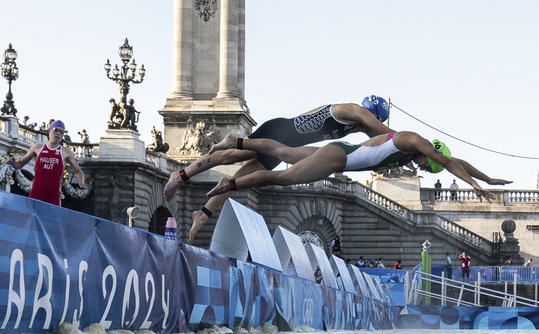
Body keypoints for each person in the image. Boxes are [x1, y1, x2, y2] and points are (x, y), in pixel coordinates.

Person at [166, 97, 395, 240]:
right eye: (375, 119)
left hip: (284, 146)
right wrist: (412, 146)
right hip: (278, 132)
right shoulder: (353, 110)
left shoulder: (355, 126)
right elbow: (384, 133)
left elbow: (376, 140)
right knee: (229, 155)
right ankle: (181, 175)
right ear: (373, 113)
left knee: (237, 181)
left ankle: (203, 213)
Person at [202, 131, 504, 204]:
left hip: (341, 152)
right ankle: (228, 185)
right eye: (428, 165)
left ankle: (236, 141)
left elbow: (456, 161)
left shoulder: (407, 147)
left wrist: (486, 178)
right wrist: (474, 186)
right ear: (430, 152)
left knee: (286, 151)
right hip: (338, 159)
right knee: (282, 178)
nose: (423, 169)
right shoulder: (410, 139)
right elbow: (449, 162)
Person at [6, 120, 86, 206]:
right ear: (50, 131)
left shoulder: (65, 152)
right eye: (56, 130)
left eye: (61, 132)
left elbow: (78, 171)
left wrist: (81, 181)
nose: (58, 133)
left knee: (50, 219)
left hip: (53, 196)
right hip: (36, 193)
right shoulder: (38, 147)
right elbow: (20, 163)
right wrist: (13, 163)